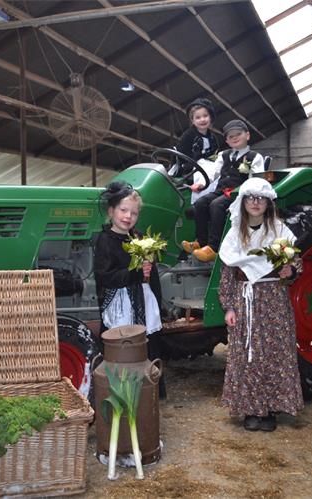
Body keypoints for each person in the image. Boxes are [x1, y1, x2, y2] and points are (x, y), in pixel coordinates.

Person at [217, 177, 303, 432]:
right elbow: (227, 273)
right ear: (243, 202)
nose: (255, 203)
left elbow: (296, 263)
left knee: (275, 352)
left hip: (274, 300)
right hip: (245, 300)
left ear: (268, 203)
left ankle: (271, 409)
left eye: (261, 198)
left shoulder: (280, 231)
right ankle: (251, 409)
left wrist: (290, 271)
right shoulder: (235, 234)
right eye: (251, 198)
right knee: (248, 354)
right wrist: (229, 306)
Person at [94, 181, 166, 398]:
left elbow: (151, 276)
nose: (128, 216)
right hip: (121, 305)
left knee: (147, 341)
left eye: (134, 213)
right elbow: (105, 277)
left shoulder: (140, 237)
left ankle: (147, 392)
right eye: (123, 210)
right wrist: (135, 273)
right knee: (124, 345)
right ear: (111, 211)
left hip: (143, 299)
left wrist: (151, 281)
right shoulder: (105, 240)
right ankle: (123, 393)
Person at [184, 119, 265, 262]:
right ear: (227, 140)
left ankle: (213, 248)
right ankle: (201, 242)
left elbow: (257, 180)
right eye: (230, 136)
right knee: (200, 203)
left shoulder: (255, 157)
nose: (234, 138)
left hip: (240, 194)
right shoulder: (223, 155)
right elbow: (213, 173)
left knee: (216, 205)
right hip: (221, 190)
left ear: (247, 135)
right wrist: (201, 184)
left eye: (238, 134)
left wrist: (248, 194)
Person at [176, 98, 220, 206]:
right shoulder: (188, 135)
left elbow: (214, 154)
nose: (202, 120)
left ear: (210, 117)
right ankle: (198, 201)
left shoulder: (213, 138)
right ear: (193, 120)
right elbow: (181, 153)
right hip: (191, 166)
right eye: (198, 117)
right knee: (205, 169)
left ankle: (214, 198)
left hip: (208, 164)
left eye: (205, 116)